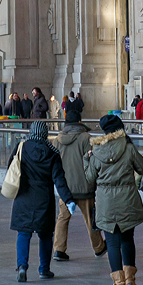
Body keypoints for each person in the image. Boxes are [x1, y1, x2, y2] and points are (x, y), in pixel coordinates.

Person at [84, 114, 143, 285]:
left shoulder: (96, 151)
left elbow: (90, 179)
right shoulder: (128, 147)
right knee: (127, 239)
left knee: (112, 243)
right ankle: (131, 281)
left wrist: (86, 160)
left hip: (106, 203)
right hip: (127, 199)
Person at [7, 121, 76, 282]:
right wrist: (68, 200)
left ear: (31, 132)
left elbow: (11, 167)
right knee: (45, 235)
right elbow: (59, 180)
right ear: (45, 134)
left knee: (23, 233)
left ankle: (22, 266)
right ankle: (44, 269)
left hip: (23, 197)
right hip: (43, 200)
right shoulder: (52, 153)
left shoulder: (21, 147)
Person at [53, 109, 106, 261]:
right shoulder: (86, 138)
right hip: (84, 186)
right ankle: (98, 247)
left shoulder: (57, 140)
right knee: (90, 218)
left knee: (62, 218)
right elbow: (92, 161)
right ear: (80, 122)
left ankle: (59, 250)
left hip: (65, 188)